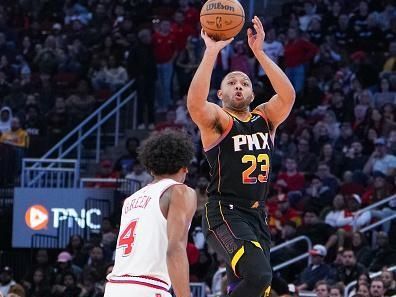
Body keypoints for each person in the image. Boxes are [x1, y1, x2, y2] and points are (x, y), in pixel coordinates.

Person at [187, 16, 295, 297]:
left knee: (258, 286)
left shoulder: (265, 118)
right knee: (259, 275)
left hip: (257, 214)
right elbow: (195, 104)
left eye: (244, 83)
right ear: (220, 93)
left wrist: (260, 52)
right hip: (225, 211)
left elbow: (288, 95)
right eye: (232, 83)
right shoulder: (218, 121)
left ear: (252, 92)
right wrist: (211, 52)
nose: (238, 86)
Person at [104, 129, 197, 297]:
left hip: (114, 288)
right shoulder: (180, 192)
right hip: (147, 287)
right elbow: (175, 248)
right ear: (184, 168)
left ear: (151, 169)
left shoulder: (131, 200)